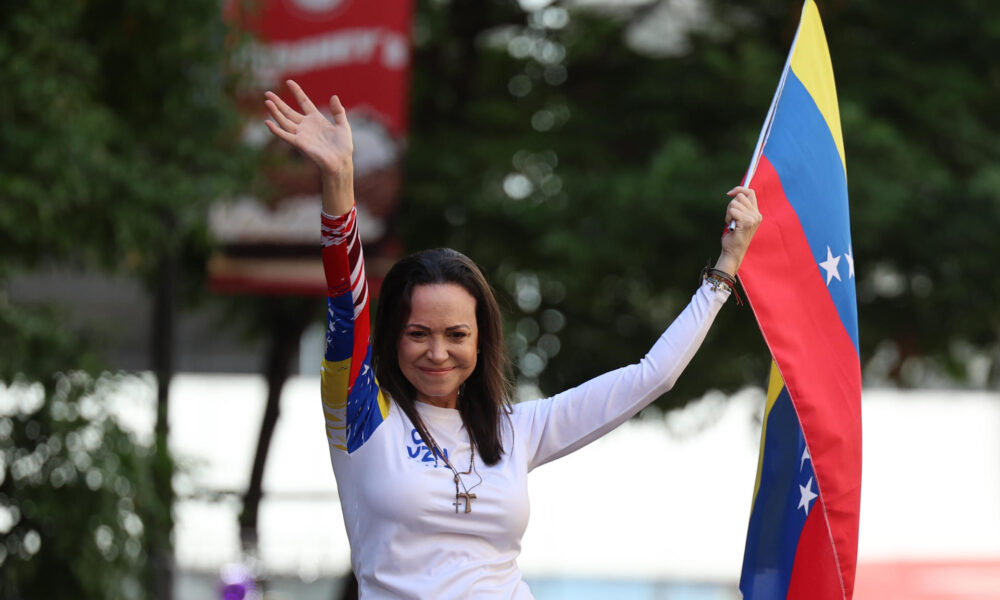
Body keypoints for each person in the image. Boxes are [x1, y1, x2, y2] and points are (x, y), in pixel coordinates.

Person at [264, 80, 762, 599]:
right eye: (418, 334)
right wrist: (340, 180)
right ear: (391, 340)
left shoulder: (515, 430)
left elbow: (651, 377)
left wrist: (726, 267)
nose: (438, 352)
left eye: (457, 334)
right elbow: (347, 301)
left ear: (481, 343)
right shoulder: (361, 413)